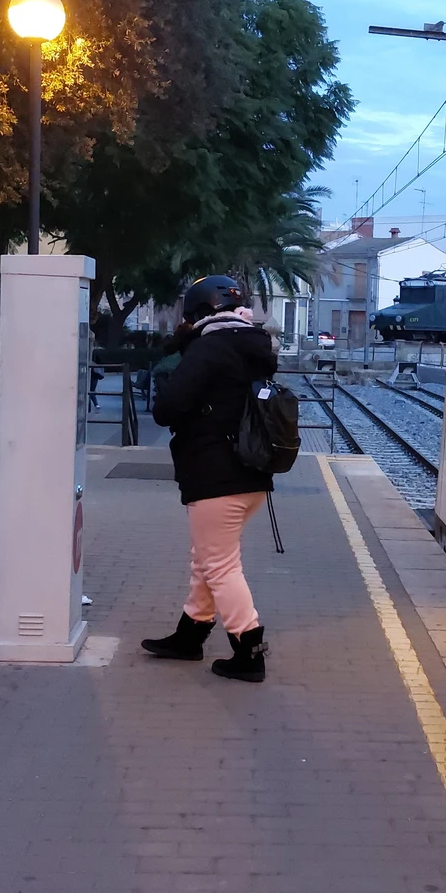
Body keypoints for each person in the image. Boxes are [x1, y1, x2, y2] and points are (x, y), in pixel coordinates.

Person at [141, 275, 278, 682]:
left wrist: (172, 372)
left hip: (216, 474)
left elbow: (168, 409)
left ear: (200, 312)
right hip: (250, 473)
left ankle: (249, 651)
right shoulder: (252, 346)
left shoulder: (210, 348)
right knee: (208, 559)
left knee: (219, 565)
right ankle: (190, 636)